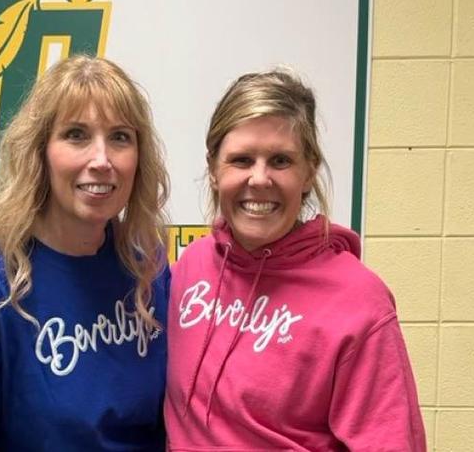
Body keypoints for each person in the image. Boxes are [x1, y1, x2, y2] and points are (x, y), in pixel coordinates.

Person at [0, 54, 171, 452]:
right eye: (76, 135)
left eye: (120, 137)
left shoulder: (148, 268)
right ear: (40, 152)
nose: (102, 160)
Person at [164, 68, 426, 451]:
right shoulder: (193, 266)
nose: (259, 179)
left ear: (309, 172)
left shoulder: (359, 302)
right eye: (241, 160)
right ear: (214, 170)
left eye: (281, 161)